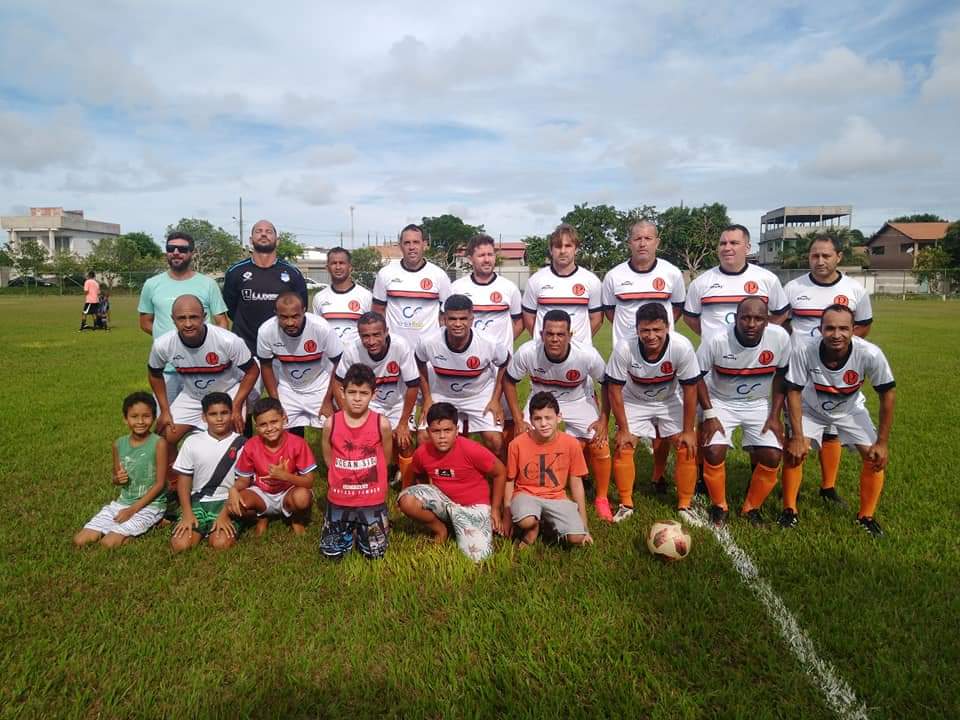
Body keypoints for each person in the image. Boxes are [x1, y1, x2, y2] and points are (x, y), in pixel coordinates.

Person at [779, 305, 896, 536]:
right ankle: (789, 510)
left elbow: (887, 395)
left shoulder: (870, 354)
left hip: (850, 409)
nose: (836, 334)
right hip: (810, 408)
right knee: (794, 453)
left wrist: (882, 443)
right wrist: (798, 436)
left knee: (874, 457)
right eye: (830, 328)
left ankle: (866, 516)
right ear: (820, 329)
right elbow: (793, 391)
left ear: (854, 329)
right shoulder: (804, 350)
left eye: (843, 328)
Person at [784, 234, 874, 506]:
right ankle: (791, 496)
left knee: (832, 429)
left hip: (834, 371)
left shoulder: (855, 290)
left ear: (838, 257)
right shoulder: (792, 288)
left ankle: (828, 487)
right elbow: (783, 325)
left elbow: (863, 327)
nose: (820, 261)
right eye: (814, 255)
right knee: (796, 434)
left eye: (825, 255)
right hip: (802, 373)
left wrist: (836, 352)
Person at [503, 309, 612, 521]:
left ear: (570, 335)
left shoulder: (586, 354)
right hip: (541, 401)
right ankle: (524, 489)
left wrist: (604, 419)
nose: (554, 339)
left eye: (560, 334)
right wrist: (518, 419)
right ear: (542, 334)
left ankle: (601, 498)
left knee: (600, 442)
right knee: (520, 440)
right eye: (550, 334)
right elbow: (509, 380)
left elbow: (607, 383)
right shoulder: (528, 351)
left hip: (577, 400)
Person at [696, 297, 791, 526]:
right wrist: (709, 415)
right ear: (735, 319)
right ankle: (719, 506)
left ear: (767, 321)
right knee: (713, 450)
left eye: (758, 318)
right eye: (745, 318)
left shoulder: (779, 338)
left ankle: (751, 508)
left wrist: (775, 415)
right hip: (721, 401)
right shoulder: (717, 339)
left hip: (758, 403)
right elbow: (696, 376)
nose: (751, 323)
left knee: (772, 455)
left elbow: (781, 376)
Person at [605, 304, 700, 520]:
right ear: (637, 330)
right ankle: (626, 503)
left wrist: (688, 430)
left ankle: (685, 505)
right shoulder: (624, 347)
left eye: (657, 330)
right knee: (624, 445)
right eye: (645, 330)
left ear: (667, 327)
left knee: (686, 446)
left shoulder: (681, 347)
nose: (651, 336)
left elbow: (690, 389)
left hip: (669, 399)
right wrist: (623, 429)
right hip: (635, 399)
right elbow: (614, 389)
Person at [397, 402, 507, 562]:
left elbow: (500, 472)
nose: (442, 436)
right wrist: (423, 493)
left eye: (447, 430)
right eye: (436, 431)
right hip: (444, 502)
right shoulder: (422, 452)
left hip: (472, 506)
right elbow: (418, 473)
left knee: (478, 558)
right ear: (428, 432)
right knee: (406, 500)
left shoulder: (471, 449)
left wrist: (496, 509)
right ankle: (440, 529)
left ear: (457, 431)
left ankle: (466, 527)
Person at [147, 295, 259, 446]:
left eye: (193, 317)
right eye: (181, 318)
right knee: (163, 440)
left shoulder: (228, 340)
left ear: (204, 317)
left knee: (224, 443)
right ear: (173, 319)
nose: (188, 324)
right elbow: (155, 374)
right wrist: (165, 410)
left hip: (226, 395)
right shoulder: (162, 345)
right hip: (192, 396)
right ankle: (176, 470)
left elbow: (252, 371)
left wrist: (237, 405)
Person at [139, 231, 229, 404]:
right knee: (166, 423)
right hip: (167, 369)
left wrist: (209, 344)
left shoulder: (207, 284)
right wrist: (171, 342)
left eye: (182, 249)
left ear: (191, 253)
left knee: (209, 421)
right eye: (171, 248)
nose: (176, 252)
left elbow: (222, 321)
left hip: (203, 368)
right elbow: (145, 322)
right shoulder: (152, 284)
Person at [416, 294, 509, 460]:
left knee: (495, 441)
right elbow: (420, 363)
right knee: (424, 436)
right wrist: (428, 398)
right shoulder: (428, 341)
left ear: (472, 319)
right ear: (443, 319)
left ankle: (500, 479)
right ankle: (426, 482)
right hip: (442, 395)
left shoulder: (489, 342)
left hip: (479, 395)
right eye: (452, 319)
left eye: (463, 318)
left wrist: (495, 400)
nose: (458, 324)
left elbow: (504, 364)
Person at [332, 312, 419, 486]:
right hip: (369, 402)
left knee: (404, 441)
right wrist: (346, 413)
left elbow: (413, 385)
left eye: (376, 335)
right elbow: (337, 382)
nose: (371, 341)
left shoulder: (401, 346)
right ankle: (371, 478)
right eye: (365, 336)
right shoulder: (352, 350)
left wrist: (403, 423)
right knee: (364, 442)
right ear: (359, 335)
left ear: (386, 331)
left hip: (398, 401)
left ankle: (407, 487)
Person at [319, 364, 394, 560]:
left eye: (364, 393)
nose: (358, 398)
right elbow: (329, 457)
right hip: (340, 497)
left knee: (375, 555)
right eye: (352, 392)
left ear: (374, 394)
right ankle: (348, 529)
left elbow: (385, 458)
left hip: (371, 498)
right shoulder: (331, 423)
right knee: (331, 554)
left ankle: (364, 529)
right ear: (342, 392)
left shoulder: (382, 424)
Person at [74, 392, 167, 548]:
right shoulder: (118, 444)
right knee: (80, 540)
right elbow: (115, 478)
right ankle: (126, 527)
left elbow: (160, 484)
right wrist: (118, 479)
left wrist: (132, 510)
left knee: (108, 543)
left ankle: (154, 522)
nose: (140, 421)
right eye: (134, 416)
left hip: (150, 504)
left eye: (146, 416)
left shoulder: (159, 443)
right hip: (122, 503)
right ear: (125, 419)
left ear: (153, 417)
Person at [504, 392, 593, 547]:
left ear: (559, 417)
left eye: (548, 418)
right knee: (525, 521)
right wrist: (506, 517)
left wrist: (584, 526)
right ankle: (533, 527)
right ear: (530, 420)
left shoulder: (571, 444)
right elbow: (509, 480)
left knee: (576, 539)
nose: (543, 423)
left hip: (556, 496)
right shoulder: (516, 444)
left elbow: (576, 483)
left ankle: (547, 522)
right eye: (537, 419)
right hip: (526, 494)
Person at [683, 224, 789, 344]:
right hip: (714, 358)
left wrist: (758, 334)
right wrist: (711, 337)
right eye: (723, 243)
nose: (727, 248)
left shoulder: (767, 279)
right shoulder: (700, 282)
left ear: (747, 248)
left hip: (753, 356)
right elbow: (690, 318)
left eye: (734, 243)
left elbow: (781, 313)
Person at [228, 397, 318, 536]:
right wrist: (234, 489)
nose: (269, 428)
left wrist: (285, 476)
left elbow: (309, 481)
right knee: (236, 504)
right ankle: (262, 516)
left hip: (288, 492)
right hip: (262, 493)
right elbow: (244, 480)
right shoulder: (251, 445)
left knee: (302, 497)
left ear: (284, 419)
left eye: (274, 422)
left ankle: (296, 519)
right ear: (256, 426)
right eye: (263, 424)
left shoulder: (298, 443)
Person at [257, 292, 343, 436]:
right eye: (284, 317)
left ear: (304, 311)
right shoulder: (266, 330)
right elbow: (265, 367)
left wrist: (328, 400)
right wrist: (276, 402)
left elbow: (338, 363)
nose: (290, 322)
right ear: (276, 313)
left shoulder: (321, 328)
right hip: (288, 388)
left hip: (320, 386)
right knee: (277, 430)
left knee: (335, 429)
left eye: (295, 316)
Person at [169, 392, 246, 553]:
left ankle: (219, 527)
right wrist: (187, 513)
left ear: (232, 414)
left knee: (221, 544)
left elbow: (245, 481)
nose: (219, 419)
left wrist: (225, 514)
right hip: (198, 501)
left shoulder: (242, 443)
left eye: (224, 413)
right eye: (213, 414)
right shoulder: (192, 442)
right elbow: (184, 480)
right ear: (204, 417)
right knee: (180, 545)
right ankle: (196, 524)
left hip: (227, 503)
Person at [222, 220, 309, 356]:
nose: (263, 234)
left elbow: (302, 308)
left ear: (277, 240)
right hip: (245, 349)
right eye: (258, 231)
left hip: (281, 350)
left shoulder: (292, 273)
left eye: (268, 231)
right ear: (251, 240)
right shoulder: (235, 272)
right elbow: (230, 309)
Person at [602, 220, 686, 347]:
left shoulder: (672, 273)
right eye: (637, 239)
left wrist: (657, 326)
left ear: (657, 243)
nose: (642, 244)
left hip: (662, 349)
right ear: (630, 243)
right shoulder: (613, 276)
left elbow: (678, 307)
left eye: (648, 238)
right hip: (625, 350)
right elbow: (609, 311)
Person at [522, 223, 603, 347]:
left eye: (568, 246)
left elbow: (596, 319)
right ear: (551, 249)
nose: (563, 251)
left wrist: (578, 342)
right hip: (545, 353)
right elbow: (528, 318)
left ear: (576, 249)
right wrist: (546, 341)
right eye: (558, 246)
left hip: (580, 354)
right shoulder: (536, 280)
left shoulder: (591, 280)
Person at [372, 223, 452, 348]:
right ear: (400, 246)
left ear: (424, 245)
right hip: (394, 348)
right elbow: (378, 313)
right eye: (407, 243)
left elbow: (444, 318)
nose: (412, 247)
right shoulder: (385, 274)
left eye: (416, 242)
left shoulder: (439, 276)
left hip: (429, 350)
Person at [311, 246, 373, 345]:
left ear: (350, 267)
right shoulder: (319, 298)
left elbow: (372, 330)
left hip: (357, 357)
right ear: (327, 268)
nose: (338, 267)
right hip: (329, 358)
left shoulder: (366, 296)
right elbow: (317, 332)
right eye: (334, 263)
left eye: (342, 263)